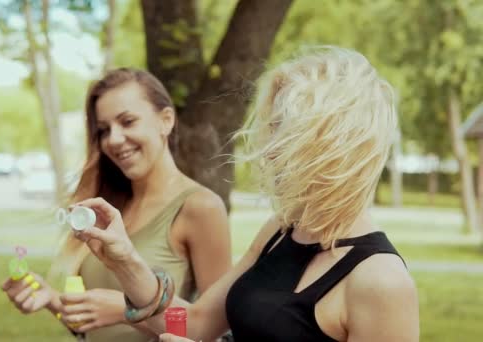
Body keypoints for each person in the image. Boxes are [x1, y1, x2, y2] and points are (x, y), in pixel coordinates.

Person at [70, 47, 420, 342]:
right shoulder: (281, 231)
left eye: (286, 133)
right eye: (272, 128)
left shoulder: (380, 281)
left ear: (335, 146)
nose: (267, 150)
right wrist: (123, 259)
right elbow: (196, 323)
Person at [1, 68, 232, 342]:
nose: (114, 139)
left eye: (128, 121)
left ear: (166, 120)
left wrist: (127, 311)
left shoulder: (200, 207)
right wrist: (52, 300)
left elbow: (213, 330)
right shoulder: (108, 209)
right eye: (103, 130)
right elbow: (99, 330)